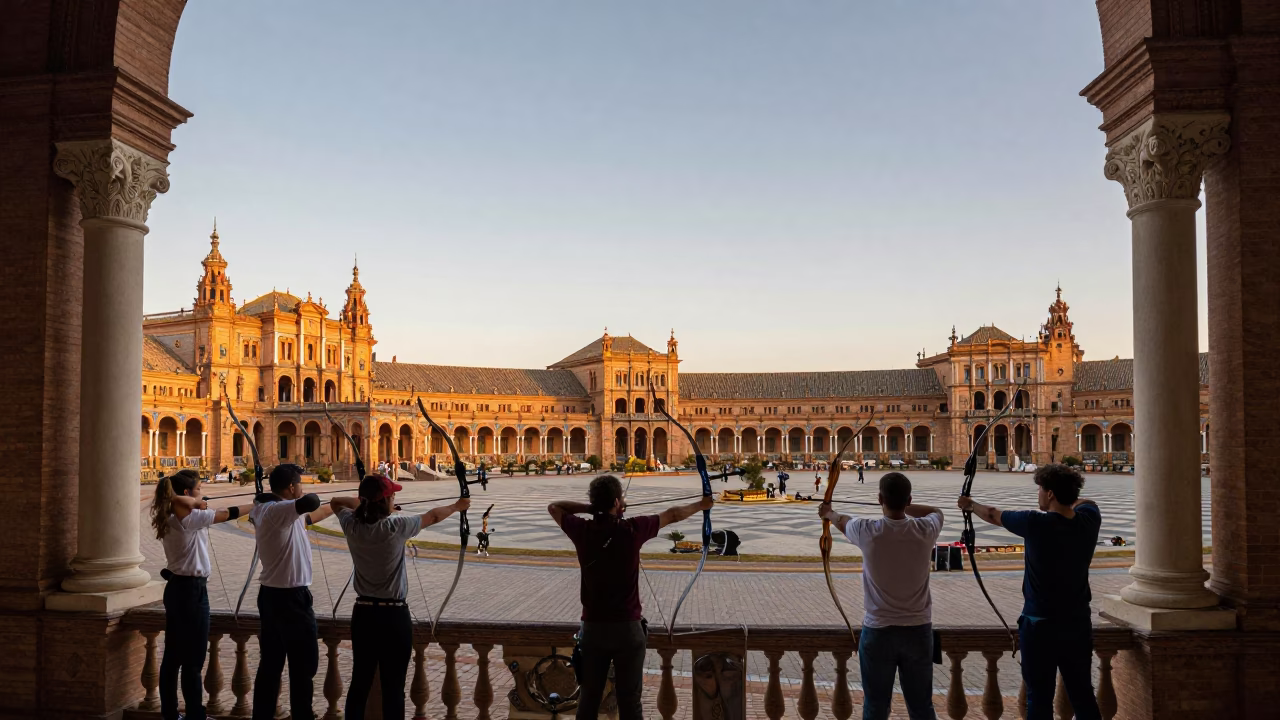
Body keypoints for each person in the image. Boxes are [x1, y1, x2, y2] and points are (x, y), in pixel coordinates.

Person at [548, 475, 714, 720]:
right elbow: (673, 514)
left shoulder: (582, 530)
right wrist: (701, 505)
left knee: (589, 698)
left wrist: (590, 508)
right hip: (628, 629)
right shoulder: (632, 529)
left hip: (593, 629)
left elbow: (554, 507)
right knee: (630, 701)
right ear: (617, 501)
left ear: (595, 502)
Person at [957, 464, 1102, 720]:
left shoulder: (1035, 522)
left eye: (1041, 490)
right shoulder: (1089, 518)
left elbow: (992, 514)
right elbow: (1087, 501)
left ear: (1050, 494)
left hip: (1040, 625)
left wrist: (969, 505)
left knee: (1039, 697)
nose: (1038, 495)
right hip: (1077, 623)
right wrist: (1068, 497)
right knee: (1082, 693)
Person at [330, 475, 469, 720]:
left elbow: (335, 502)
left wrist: (366, 504)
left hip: (363, 614)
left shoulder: (351, 524)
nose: (395, 498)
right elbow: (433, 516)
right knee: (394, 687)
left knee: (360, 682)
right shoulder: (395, 527)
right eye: (391, 496)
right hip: (393, 616)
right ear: (384, 500)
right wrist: (458, 506)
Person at [819, 472, 942, 720]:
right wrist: (902, 504)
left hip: (879, 631)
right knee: (921, 707)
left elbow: (842, 520)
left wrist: (828, 513)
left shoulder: (868, 531)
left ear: (879, 499)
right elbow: (935, 510)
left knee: (875, 707)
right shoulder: (927, 528)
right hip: (918, 631)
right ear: (909, 500)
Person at [150, 469, 254, 720]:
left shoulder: (172, 512)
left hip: (177, 589)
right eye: (198, 489)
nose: (201, 494)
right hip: (191, 591)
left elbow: (181, 501)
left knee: (173, 657)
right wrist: (255, 504)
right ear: (186, 493)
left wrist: (195, 501)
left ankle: (170, 714)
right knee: (193, 659)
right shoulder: (187, 516)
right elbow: (226, 514)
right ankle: (195, 715)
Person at [251, 463, 336, 720]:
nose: (302, 487)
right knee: (302, 667)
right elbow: (310, 502)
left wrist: (340, 504)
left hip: (272, 596)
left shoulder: (274, 511)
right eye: (299, 483)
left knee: (271, 665)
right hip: (291, 599)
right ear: (291, 487)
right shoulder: (278, 510)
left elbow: (310, 516)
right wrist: (316, 498)